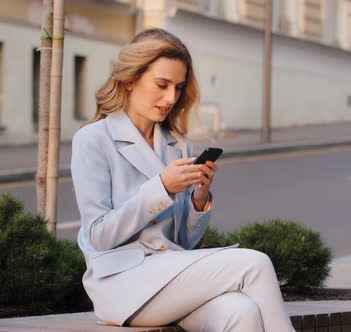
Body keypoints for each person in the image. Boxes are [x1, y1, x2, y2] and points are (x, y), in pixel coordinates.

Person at [70, 28, 295, 331]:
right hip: (122, 283)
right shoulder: (93, 139)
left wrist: (198, 199)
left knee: (240, 311)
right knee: (254, 263)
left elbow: (182, 244)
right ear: (131, 79)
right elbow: (98, 235)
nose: (170, 98)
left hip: (170, 277)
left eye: (178, 87)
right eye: (161, 85)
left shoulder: (178, 144)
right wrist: (162, 187)